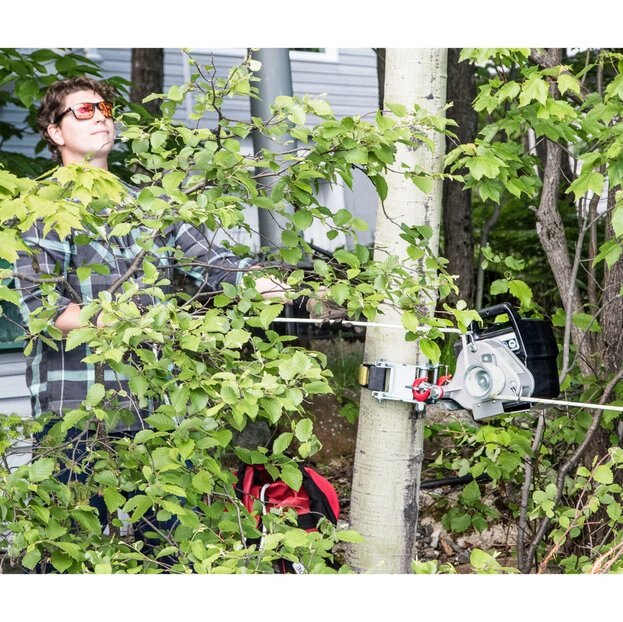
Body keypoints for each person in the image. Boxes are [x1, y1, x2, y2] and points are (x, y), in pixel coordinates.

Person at [13, 77, 342, 566]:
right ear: (55, 132)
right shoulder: (37, 212)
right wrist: (135, 319)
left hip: (158, 413)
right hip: (75, 413)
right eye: (84, 110)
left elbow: (219, 268)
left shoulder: (150, 207)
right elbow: (45, 312)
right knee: (69, 556)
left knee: (171, 555)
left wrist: (299, 290)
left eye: (105, 108)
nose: (101, 116)